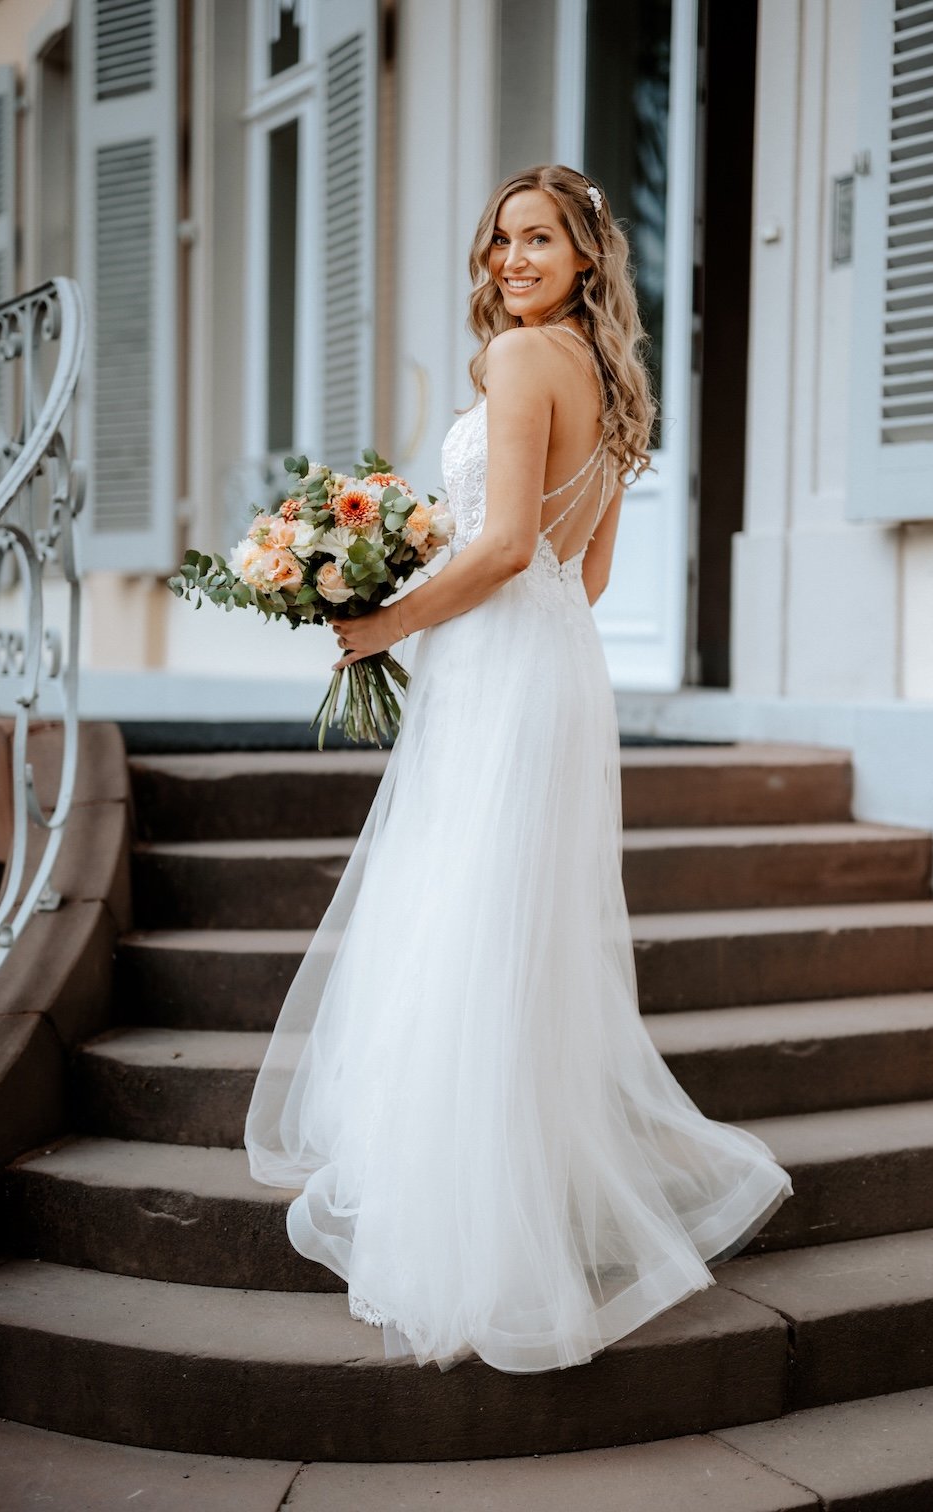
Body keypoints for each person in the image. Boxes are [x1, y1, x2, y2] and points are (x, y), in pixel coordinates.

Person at [244, 163, 793, 1375]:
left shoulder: (515, 360)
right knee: (511, 930)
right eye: (500, 243)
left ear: (586, 255)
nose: (512, 263)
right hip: (555, 665)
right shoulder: (611, 380)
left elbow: (499, 546)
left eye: (537, 240)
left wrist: (386, 623)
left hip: (498, 669)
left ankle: (462, 1233)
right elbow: (580, 577)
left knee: (460, 924)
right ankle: (515, 1202)